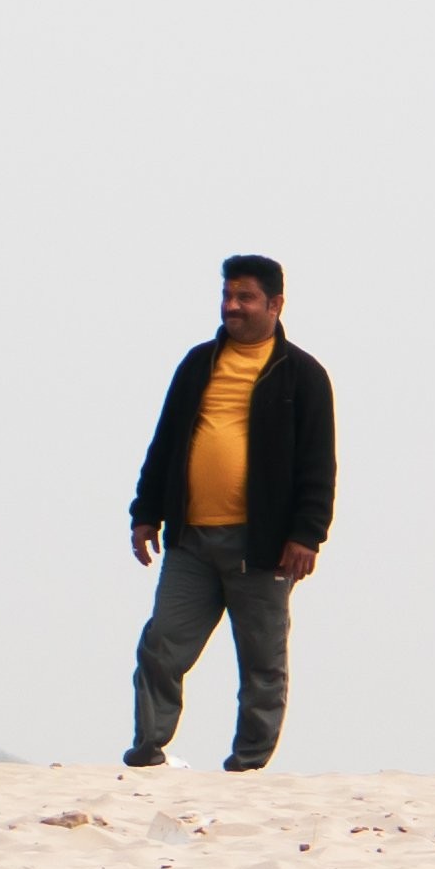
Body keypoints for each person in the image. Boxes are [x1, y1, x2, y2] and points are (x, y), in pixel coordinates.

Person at [126, 254, 333, 772]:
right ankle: (148, 748)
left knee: (262, 662)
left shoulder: (303, 375)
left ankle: (249, 762)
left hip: (262, 547)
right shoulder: (198, 363)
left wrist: (307, 535)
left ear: (275, 304)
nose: (232, 307)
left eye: (245, 298)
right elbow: (166, 441)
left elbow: (318, 464)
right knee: (160, 646)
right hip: (191, 540)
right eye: (227, 296)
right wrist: (145, 512)